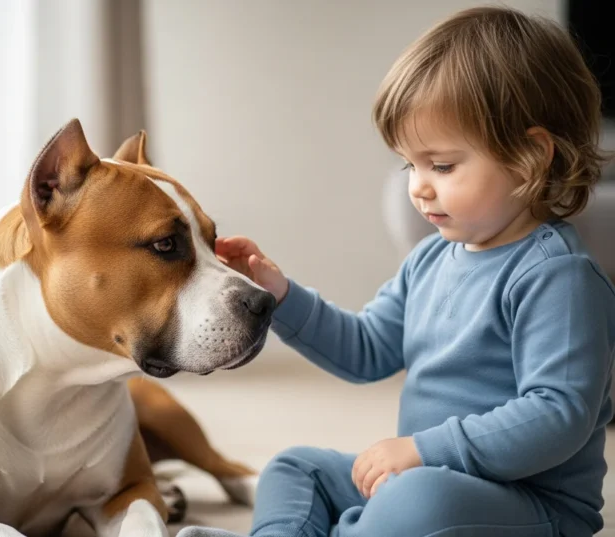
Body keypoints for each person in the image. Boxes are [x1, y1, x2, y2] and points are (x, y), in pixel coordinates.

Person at [177, 6, 615, 537]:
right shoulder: (429, 259)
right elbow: (366, 349)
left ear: (530, 157)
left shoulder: (558, 277)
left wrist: (423, 450)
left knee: (418, 501)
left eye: (443, 166)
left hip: (531, 504)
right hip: (429, 475)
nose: (419, 187)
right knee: (295, 468)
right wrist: (283, 296)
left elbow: (558, 414)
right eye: (410, 164)